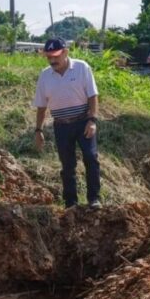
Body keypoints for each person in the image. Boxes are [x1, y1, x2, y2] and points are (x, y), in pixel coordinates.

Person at [32, 38, 102, 208]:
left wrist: (92, 120)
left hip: (83, 121)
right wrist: (38, 130)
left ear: (65, 52)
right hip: (61, 126)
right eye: (49, 57)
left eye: (55, 56)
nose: (52, 60)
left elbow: (93, 96)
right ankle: (71, 203)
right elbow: (41, 106)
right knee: (67, 165)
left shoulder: (81, 68)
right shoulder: (45, 76)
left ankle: (94, 199)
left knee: (91, 157)